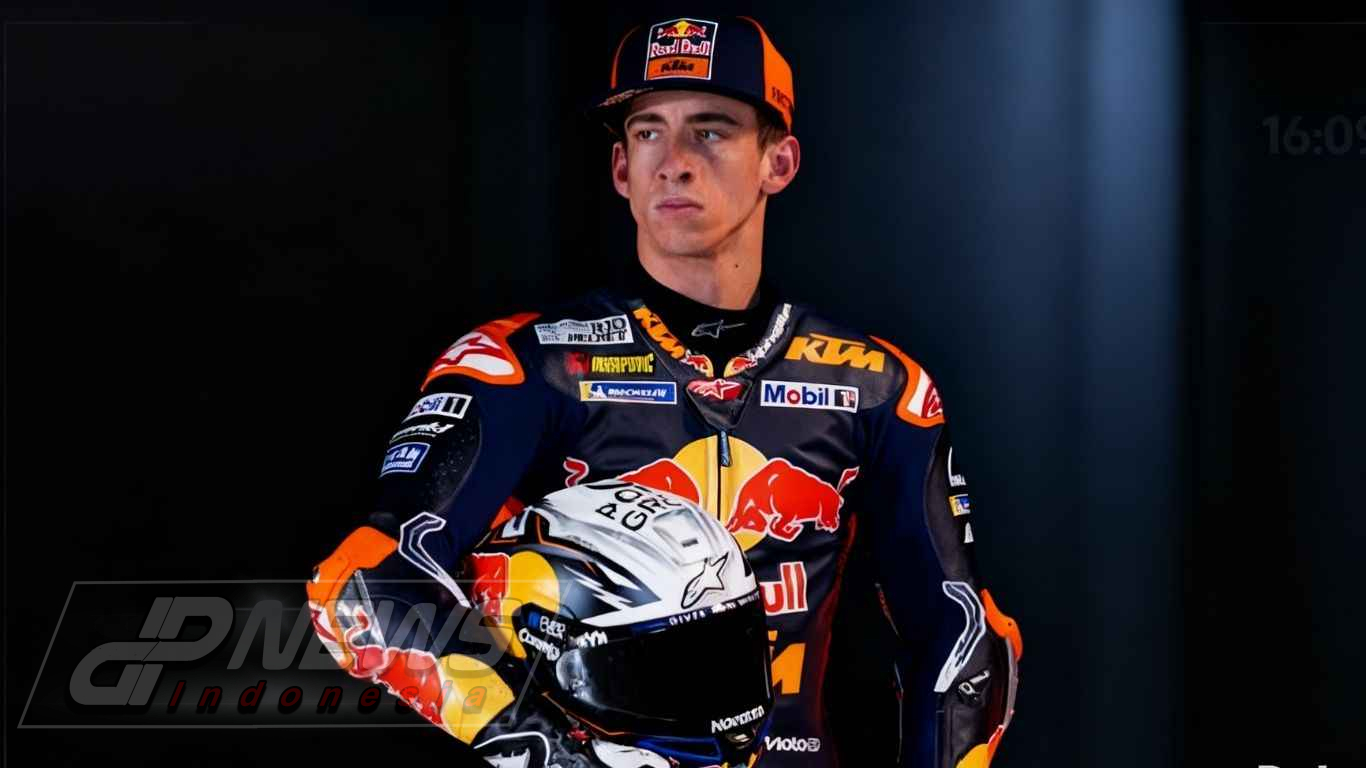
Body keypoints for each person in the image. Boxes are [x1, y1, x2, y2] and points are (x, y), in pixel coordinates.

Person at [307, 14, 1021, 768]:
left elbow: (966, 639)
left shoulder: (879, 386)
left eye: (710, 130)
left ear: (778, 162)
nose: (673, 162)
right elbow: (364, 585)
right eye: (649, 132)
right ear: (621, 169)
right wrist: (550, 752)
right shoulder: (524, 367)